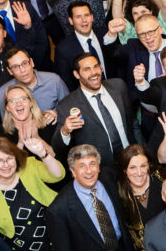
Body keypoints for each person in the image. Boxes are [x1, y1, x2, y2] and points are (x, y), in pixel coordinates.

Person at [52, 53, 141, 185]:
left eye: (96, 67)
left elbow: (132, 122)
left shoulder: (118, 86)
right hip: (102, 173)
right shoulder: (67, 105)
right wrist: (65, 131)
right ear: (77, 74)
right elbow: (58, 148)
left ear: (101, 68)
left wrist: (141, 150)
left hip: (132, 162)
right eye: (87, 69)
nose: (94, 73)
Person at [0, 48, 69, 115]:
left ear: (31, 62)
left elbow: (70, 107)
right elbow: (8, 125)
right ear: (9, 71)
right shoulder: (3, 93)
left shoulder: (54, 80)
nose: (22, 70)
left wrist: (57, 114)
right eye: (15, 67)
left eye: (24, 63)